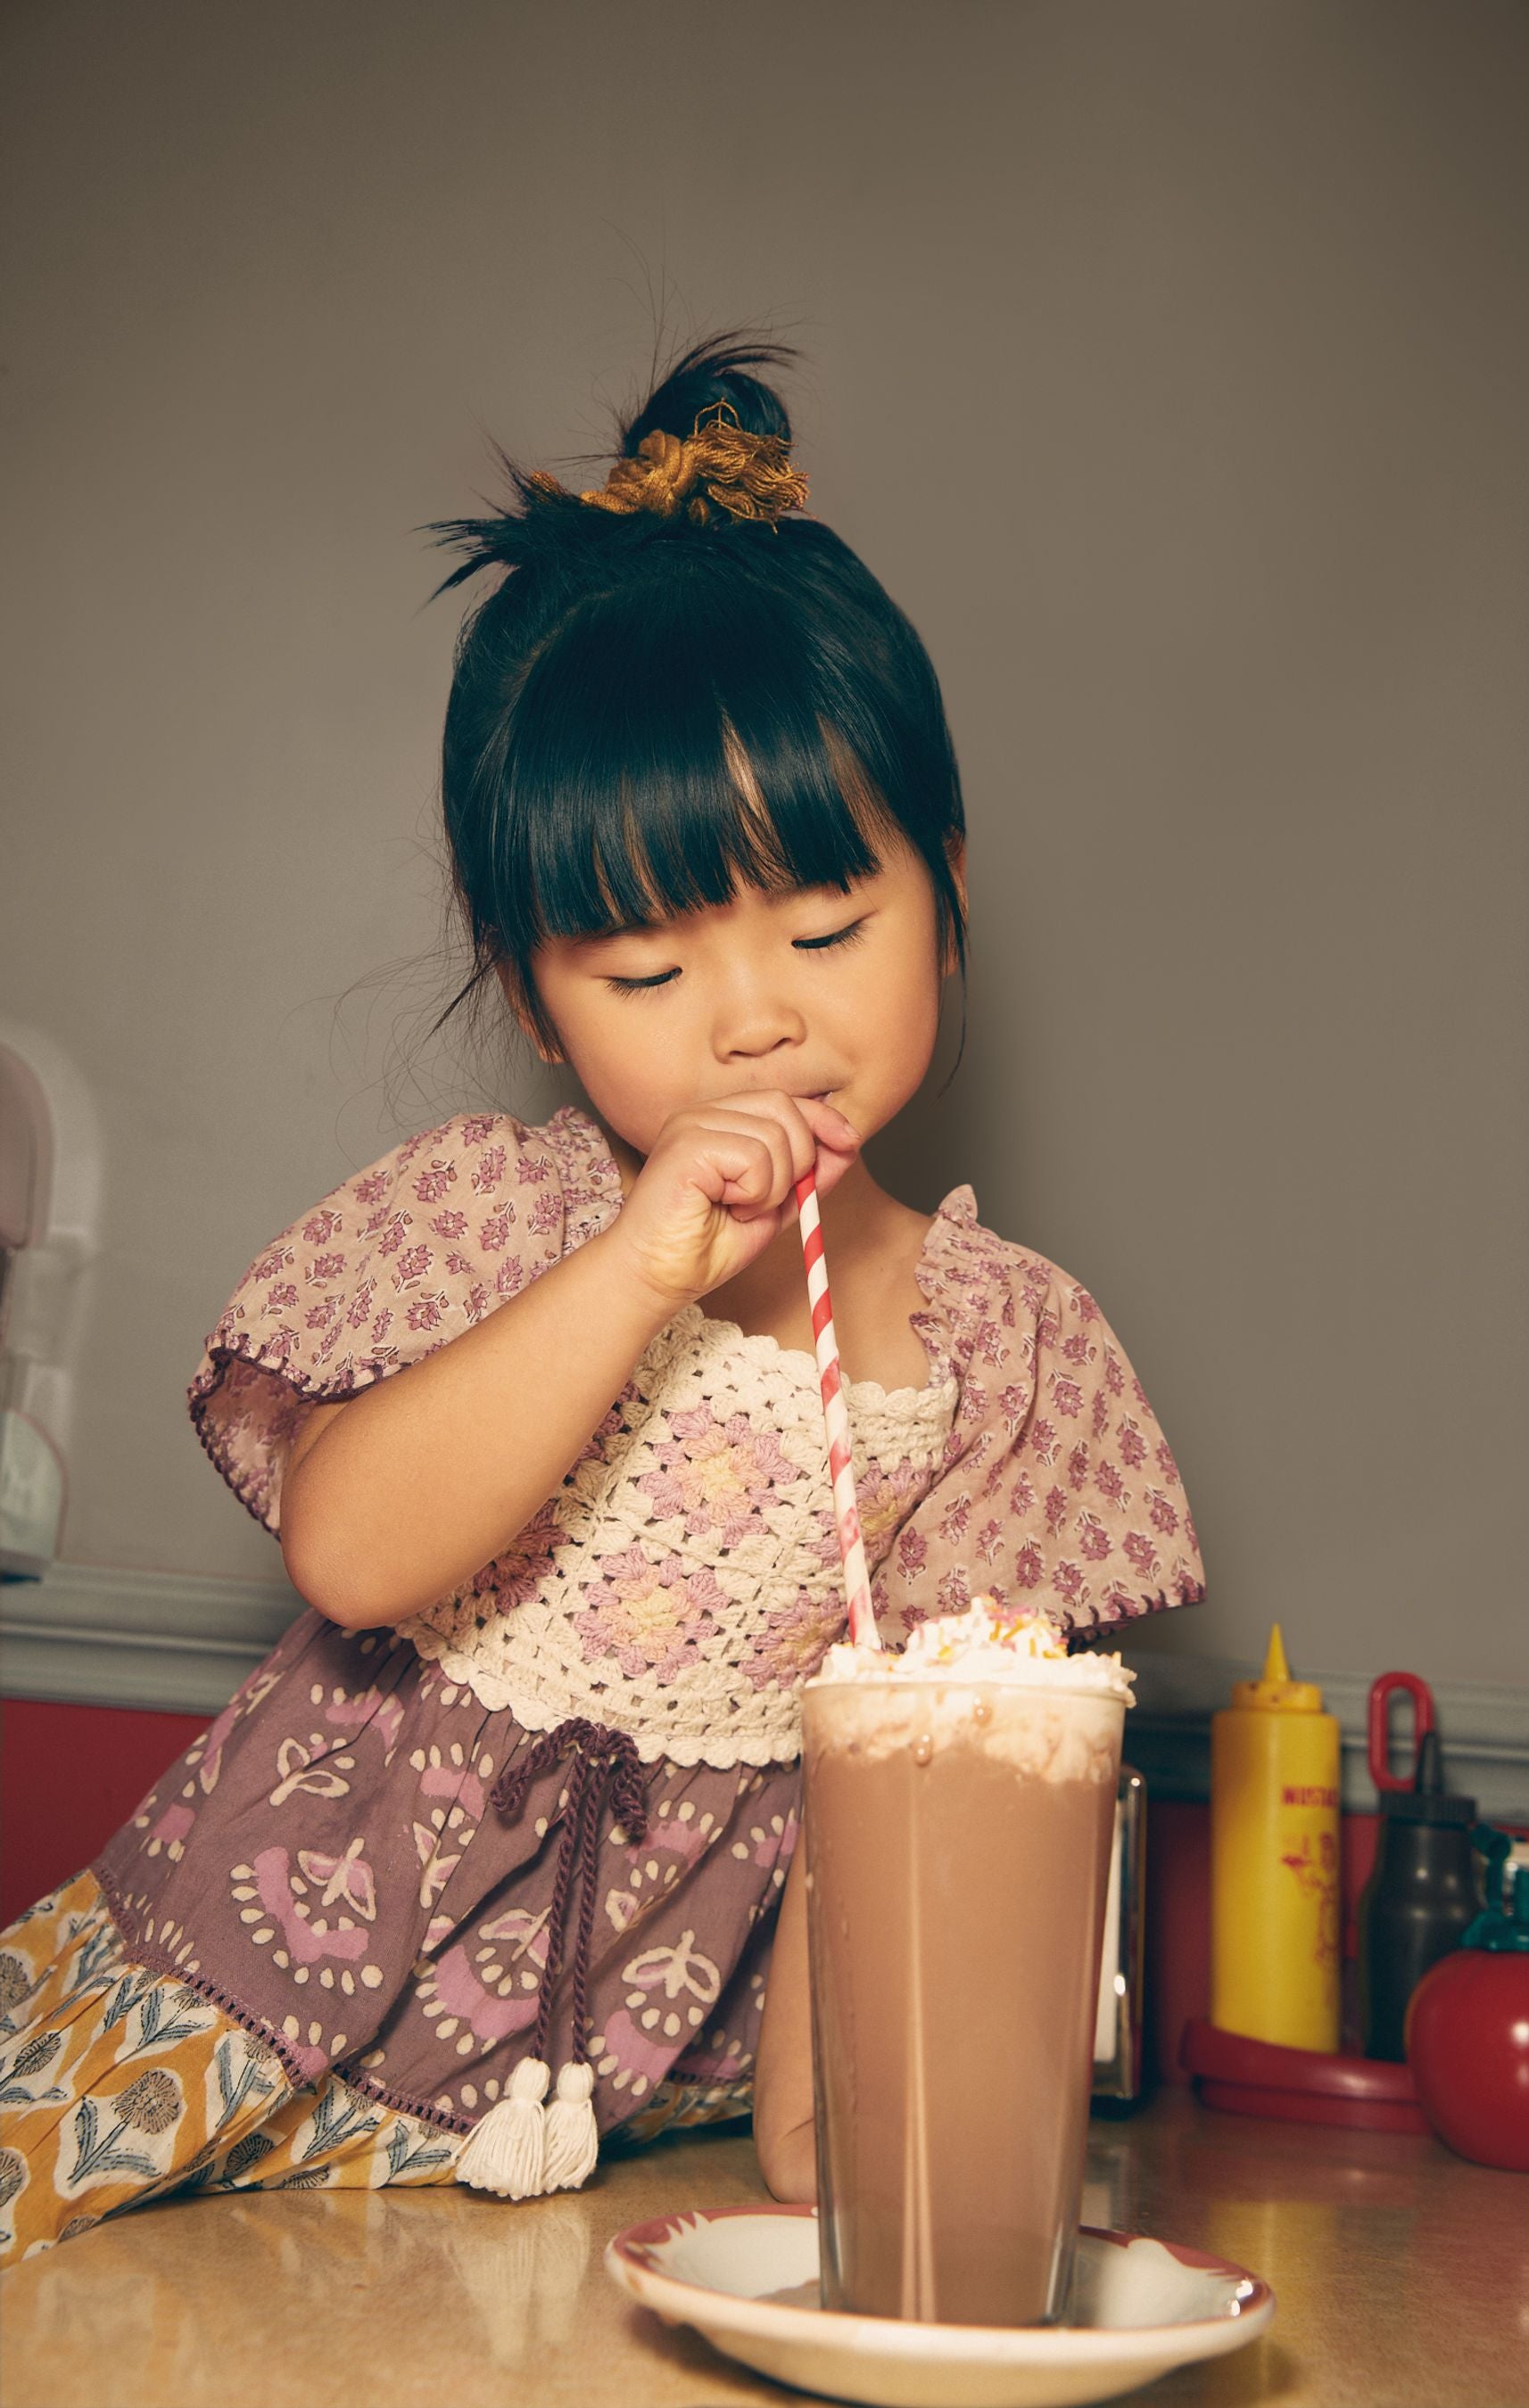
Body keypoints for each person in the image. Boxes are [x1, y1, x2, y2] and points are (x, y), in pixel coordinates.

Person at [0, 332, 1204, 2261]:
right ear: (537, 998)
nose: (751, 1014)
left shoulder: (1008, 1352)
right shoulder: (498, 1218)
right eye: (643, 975)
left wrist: (850, 2142)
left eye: (827, 927)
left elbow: (915, 1787)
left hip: (615, 2100)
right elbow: (353, 1553)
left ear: (949, 892)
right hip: (248, 1985)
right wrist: (642, 1264)